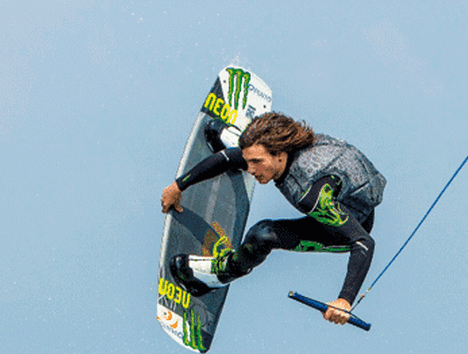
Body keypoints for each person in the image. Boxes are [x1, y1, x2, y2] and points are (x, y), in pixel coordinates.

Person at [161, 112, 386, 325]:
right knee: (236, 156)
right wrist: (178, 186)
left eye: (256, 161)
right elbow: (229, 158)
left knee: (263, 235)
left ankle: (218, 275)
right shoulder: (286, 145)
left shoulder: (311, 196)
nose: (250, 170)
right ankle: (240, 142)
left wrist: (344, 300)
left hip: (345, 226)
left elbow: (363, 241)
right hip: (341, 184)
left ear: (279, 155)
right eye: (249, 161)